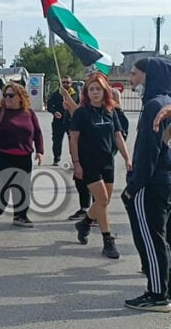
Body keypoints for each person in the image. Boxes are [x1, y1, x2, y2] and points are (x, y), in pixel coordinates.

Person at [123, 57, 171, 312]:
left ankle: (157, 294)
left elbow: (148, 152)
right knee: (161, 237)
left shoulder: (155, 105)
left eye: (134, 74)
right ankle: (162, 286)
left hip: (151, 183)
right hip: (164, 180)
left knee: (152, 239)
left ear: (148, 76)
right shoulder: (166, 102)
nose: (131, 79)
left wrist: (134, 186)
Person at [70, 73, 131, 259]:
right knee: (102, 200)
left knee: (103, 201)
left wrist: (127, 158)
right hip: (89, 163)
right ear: (86, 93)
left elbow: (118, 136)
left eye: (98, 89)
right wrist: (76, 163)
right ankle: (108, 241)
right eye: (91, 89)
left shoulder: (110, 111)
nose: (95, 92)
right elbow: (74, 139)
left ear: (105, 91)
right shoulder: (81, 113)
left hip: (107, 162)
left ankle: (85, 222)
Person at [0, 82, 44, 227]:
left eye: (11, 95)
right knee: (0, 188)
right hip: (2, 156)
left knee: (22, 188)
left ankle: (20, 216)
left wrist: (40, 151)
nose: (7, 98)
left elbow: (37, 133)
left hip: (24, 156)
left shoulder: (29, 113)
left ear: (20, 97)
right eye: (5, 95)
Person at [47, 76, 77, 167]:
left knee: (73, 141)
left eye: (67, 82)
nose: (65, 84)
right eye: (63, 82)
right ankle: (56, 158)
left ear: (71, 83)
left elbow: (79, 106)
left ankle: (75, 160)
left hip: (71, 122)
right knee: (56, 141)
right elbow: (49, 106)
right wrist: (54, 112)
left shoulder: (75, 94)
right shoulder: (56, 94)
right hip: (58, 122)